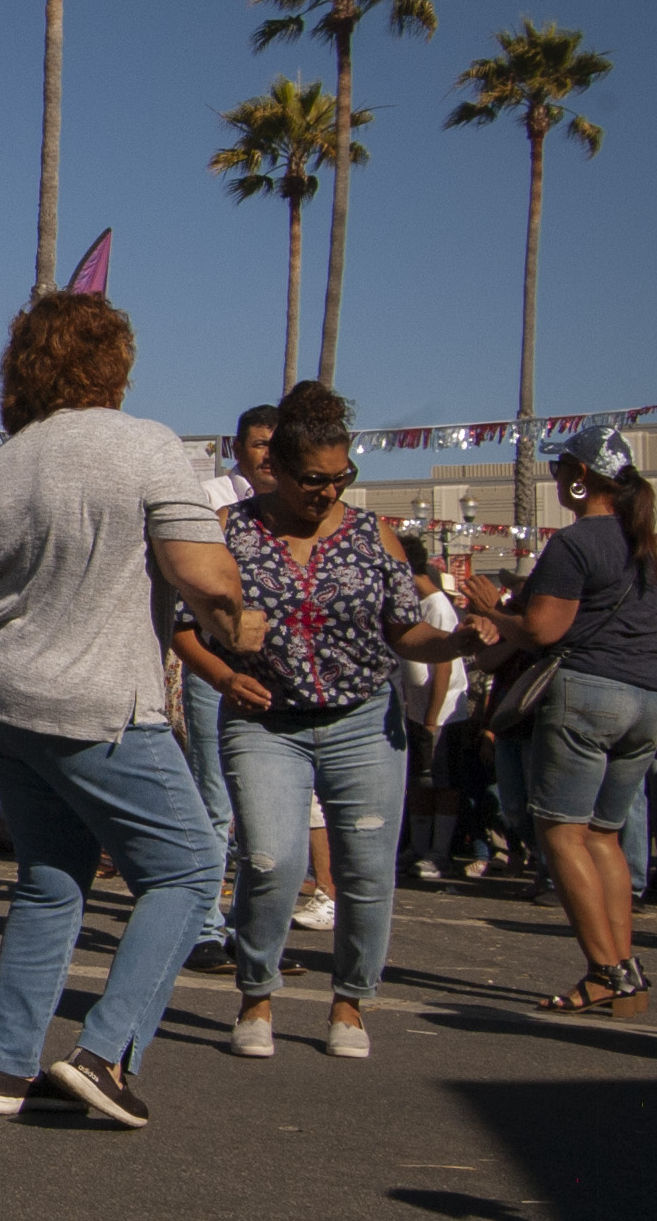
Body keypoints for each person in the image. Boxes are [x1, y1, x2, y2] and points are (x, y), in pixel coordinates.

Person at [0, 292, 258, 1126]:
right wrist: (236, 615)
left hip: (1, 695)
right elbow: (199, 569)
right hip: (97, 699)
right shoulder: (146, 446)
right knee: (188, 866)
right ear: (113, 364)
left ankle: (5, 1070)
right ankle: (105, 1052)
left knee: (50, 881)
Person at [174, 382, 474, 1060]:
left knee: (365, 870)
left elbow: (405, 632)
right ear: (273, 468)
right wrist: (224, 676)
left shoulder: (375, 537)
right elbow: (183, 628)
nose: (328, 492)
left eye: (342, 477)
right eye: (314, 479)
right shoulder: (230, 533)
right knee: (269, 859)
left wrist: (457, 643)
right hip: (265, 722)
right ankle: (255, 992)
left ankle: (350, 1002)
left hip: (363, 720)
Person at [463, 426, 657, 1015]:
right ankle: (624, 970)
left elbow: (546, 631)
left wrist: (493, 611)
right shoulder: (645, 545)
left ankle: (607, 970)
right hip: (648, 698)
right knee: (605, 834)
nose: (554, 481)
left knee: (562, 832)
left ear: (581, 479)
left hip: (589, 694)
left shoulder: (576, 544)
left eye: (558, 471)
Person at [177, 403, 277, 971]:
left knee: (260, 811)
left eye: (277, 446)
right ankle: (204, 930)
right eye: (260, 444)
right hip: (216, 668)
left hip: (272, 676)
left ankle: (252, 929)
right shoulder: (213, 499)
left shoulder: (293, 507)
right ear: (238, 449)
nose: (268, 456)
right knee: (214, 802)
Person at [397, 535, 471, 879]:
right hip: (415, 709)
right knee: (419, 783)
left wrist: (431, 719)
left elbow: (443, 664)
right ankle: (420, 845)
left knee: (441, 783)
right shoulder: (412, 604)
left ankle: (439, 852)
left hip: (441, 714)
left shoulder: (438, 606)